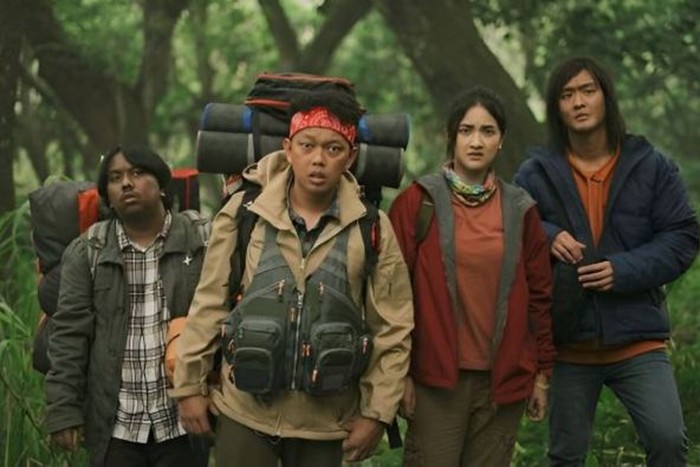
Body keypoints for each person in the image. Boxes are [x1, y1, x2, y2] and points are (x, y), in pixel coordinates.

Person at [171, 89, 414, 466]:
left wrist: (376, 414)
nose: (318, 159)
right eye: (307, 145)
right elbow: (210, 302)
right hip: (244, 412)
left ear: (350, 157)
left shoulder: (371, 227)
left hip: (327, 422)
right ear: (288, 149)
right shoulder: (245, 212)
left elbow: (392, 328)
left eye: (333, 149)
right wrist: (189, 386)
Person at [514, 56, 699, 466]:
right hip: (568, 344)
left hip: (637, 338)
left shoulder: (650, 165)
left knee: (668, 441)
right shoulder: (536, 172)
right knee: (566, 457)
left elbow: (682, 236)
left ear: (606, 97)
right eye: (567, 95)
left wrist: (623, 270)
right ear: (556, 107)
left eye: (587, 91)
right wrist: (548, 235)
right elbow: (510, 227)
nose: (578, 102)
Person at [388, 86, 556, 466]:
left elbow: (540, 298)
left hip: (502, 383)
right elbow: (390, 295)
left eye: (487, 131)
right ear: (451, 136)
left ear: (501, 139)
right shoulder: (418, 202)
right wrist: (398, 374)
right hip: (435, 381)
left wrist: (541, 375)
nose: (476, 142)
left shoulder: (521, 209)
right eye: (466, 130)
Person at [44, 146, 211, 467]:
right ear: (107, 195)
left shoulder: (199, 240)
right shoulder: (88, 251)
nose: (126, 183)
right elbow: (69, 334)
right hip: (116, 426)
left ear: (162, 185)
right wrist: (63, 410)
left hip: (182, 420)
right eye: (115, 178)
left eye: (137, 173)